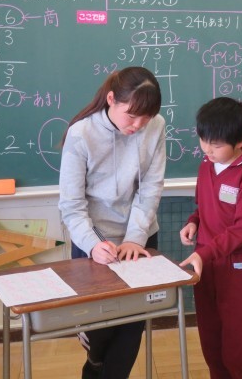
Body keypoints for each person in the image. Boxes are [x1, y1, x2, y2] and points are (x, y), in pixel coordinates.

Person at [58, 66, 166, 379]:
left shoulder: (156, 126)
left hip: (139, 237)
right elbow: (72, 205)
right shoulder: (81, 134)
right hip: (93, 241)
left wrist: (135, 238)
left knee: (131, 328)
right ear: (111, 100)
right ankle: (93, 367)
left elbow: (150, 188)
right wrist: (93, 245)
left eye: (146, 117)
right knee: (99, 331)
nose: (138, 124)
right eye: (132, 115)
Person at [179, 97, 242, 379]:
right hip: (206, 266)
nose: (207, 149)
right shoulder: (206, 165)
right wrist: (193, 222)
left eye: (216, 145)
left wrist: (203, 252)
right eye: (203, 140)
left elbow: (241, 230)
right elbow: (203, 206)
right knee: (213, 350)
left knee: (238, 355)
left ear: (241, 141)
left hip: (238, 268)